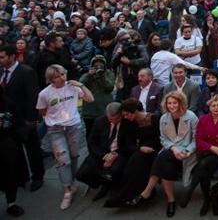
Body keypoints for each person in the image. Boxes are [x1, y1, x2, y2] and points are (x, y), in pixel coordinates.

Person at [127, 91, 198, 218]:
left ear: (181, 103)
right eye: (169, 103)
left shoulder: (191, 117)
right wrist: (174, 149)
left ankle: (148, 193)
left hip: (187, 152)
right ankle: (170, 200)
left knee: (162, 159)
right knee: (165, 164)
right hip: (171, 151)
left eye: (174, 103)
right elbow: (163, 139)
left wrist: (186, 151)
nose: (171, 106)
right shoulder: (164, 118)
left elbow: (196, 139)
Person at [37, 64, 95, 210]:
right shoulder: (44, 93)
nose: (62, 78)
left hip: (73, 127)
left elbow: (90, 99)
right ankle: (67, 191)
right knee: (63, 160)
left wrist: (81, 85)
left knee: (74, 156)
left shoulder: (73, 87)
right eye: (58, 76)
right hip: (55, 129)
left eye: (63, 74)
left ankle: (71, 182)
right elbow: (42, 111)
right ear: (51, 79)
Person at [0, 44, 44, 192]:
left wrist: (31, 118)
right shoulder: (1, 71)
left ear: (12, 57)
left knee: (32, 148)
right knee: (14, 150)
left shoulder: (26, 72)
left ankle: (38, 176)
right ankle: (22, 176)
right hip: (7, 120)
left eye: (2, 57)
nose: (0, 60)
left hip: (24, 118)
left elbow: (33, 96)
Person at [181, 94, 218, 214]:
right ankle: (206, 199)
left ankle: (193, 194)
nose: (216, 108)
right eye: (213, 105)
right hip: (206, 151)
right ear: (209, 107)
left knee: (203, 165)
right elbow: (199, 139)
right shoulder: (203, 119)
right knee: (204, 170)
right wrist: (211, 148)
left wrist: (216, 149)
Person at [104, 98, 161, 208]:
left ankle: (140, 194)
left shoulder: (155, 118)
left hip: (156, 149)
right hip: (141, 150)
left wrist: (146, 148)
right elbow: (129, 144)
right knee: (134, 161)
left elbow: (162, 138)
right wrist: (140, 148)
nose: (125, 117)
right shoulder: (130, 123)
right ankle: (131, 194)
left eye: (126, 114)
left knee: (138, 160)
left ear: (134, 112)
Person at [76, 102, 135, 202]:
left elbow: (129, 145)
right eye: (111, 119)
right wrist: (104, 156)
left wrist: (114, 155)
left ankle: (108, 186)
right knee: (81, 174)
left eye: (116, 119)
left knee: (114, 171)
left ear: (121, 114)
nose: (114, 121)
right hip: (101, 152)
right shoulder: (99, 121)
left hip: (119, 152)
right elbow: (91, 142)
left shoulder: (128, 123)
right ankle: (102, 182)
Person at [79, 55, 116, 144]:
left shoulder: (109, 73)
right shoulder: (88, 74)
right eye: (96, 63)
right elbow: (80, 85)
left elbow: (110, 87)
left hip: (104, 109)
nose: (98, 65)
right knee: (90, 133)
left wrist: (101, 76)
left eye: (101, 63)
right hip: (90, 111)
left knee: (105, 133)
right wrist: (89, 75)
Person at [0, 83, 24, 217]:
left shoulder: (7, 103)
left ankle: (11, 203)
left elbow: (18, 123)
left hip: (7, 144)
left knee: (10, 175)